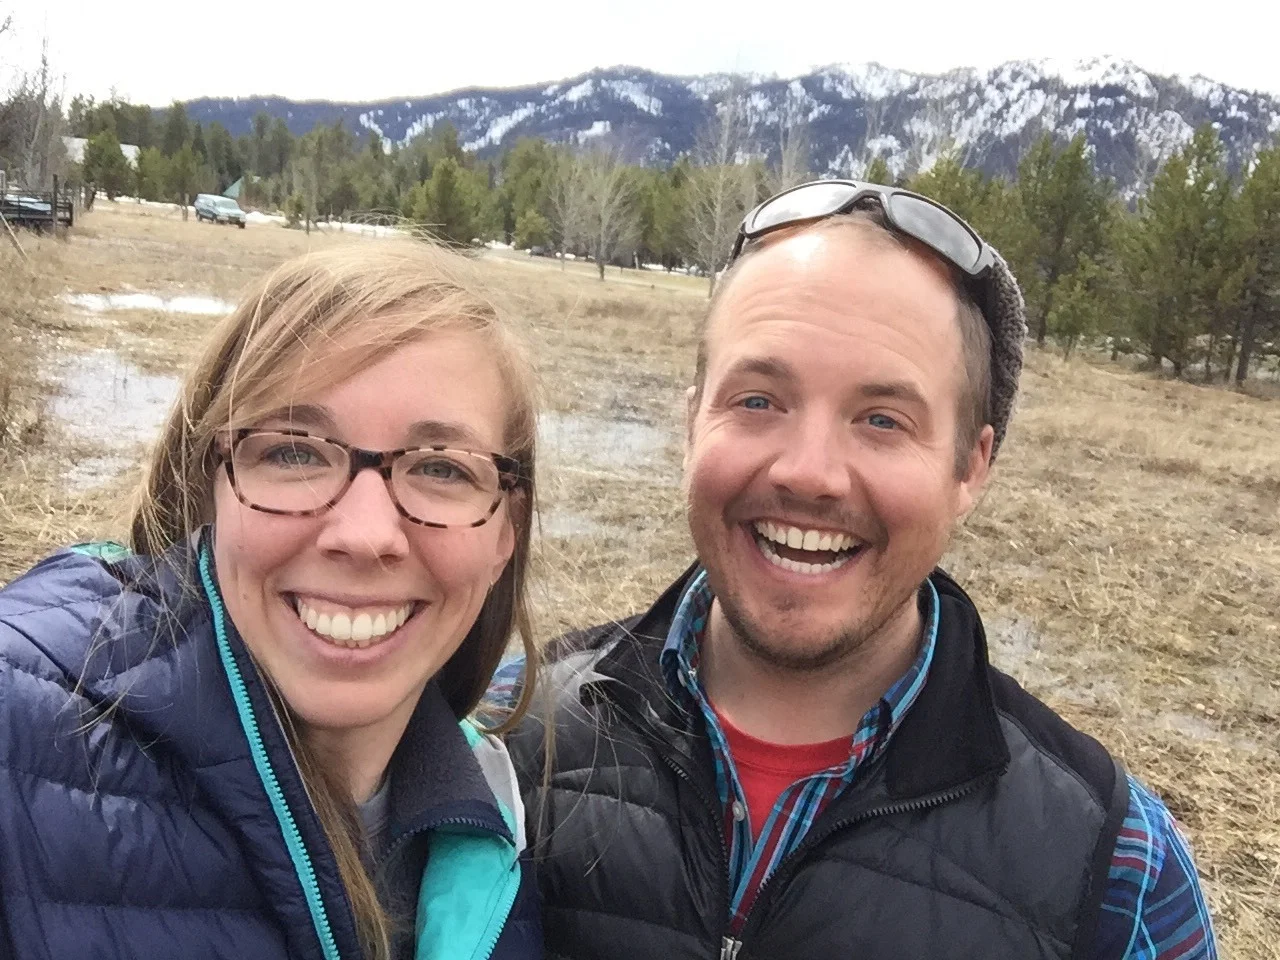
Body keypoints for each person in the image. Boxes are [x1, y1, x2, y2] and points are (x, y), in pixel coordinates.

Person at [506, 181, 1217, 960]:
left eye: (883, 420)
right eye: (757, 400)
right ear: (691, 422)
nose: (810, 474)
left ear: (971, 467)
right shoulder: (504, 737)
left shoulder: (1116, 869)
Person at [0, 244, 543, 960]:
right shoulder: (21, 733)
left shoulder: (506, 825)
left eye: (441, 468)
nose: (365, 534)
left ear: (506, 531)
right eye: (294, 451)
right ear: (210, 487)